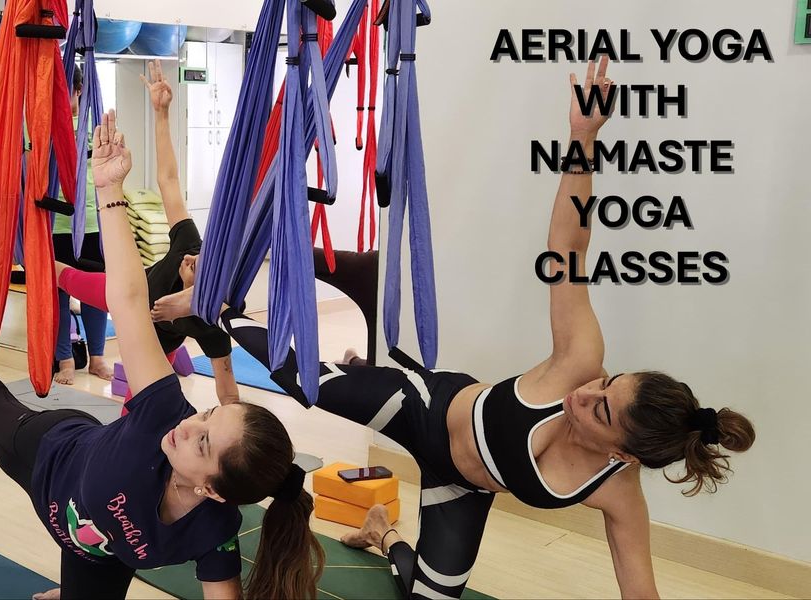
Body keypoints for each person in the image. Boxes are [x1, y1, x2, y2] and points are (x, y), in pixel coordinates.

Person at [217, 59, 755, 600]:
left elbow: (642, 592)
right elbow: (568, 249)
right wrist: (583, 136)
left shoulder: (617, 490)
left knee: (430, 598)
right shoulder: (580, 361)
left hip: (464, 485)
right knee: (303, 380)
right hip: (424, 408)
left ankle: (383, 532)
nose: (588, 392)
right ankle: (216, 303)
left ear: (625, 455)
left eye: (602, 410)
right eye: (606, 385)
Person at [0, 111, 323, 600]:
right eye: (208, 414)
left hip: (95, 553)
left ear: (213, 491)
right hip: (46, 454)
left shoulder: (213, 530)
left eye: (203, 444)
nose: (190, 425)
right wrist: (108, 189)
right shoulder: (164, 414)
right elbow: (126, 301)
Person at [56, 61, 240, 405]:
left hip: (156, 344)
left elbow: (228, 391)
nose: (190, 258)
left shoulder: (212, 327)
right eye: (199, 257)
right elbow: (168, 180)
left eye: (198, 267)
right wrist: (161, 113)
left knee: (140, 408)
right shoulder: (190, 242)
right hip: (129, 290)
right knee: (60, 273)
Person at [53, 65, 113, 384]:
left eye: (66, 91)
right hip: (56, 224)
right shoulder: (43, 125)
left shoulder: (93, 124)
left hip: (92, 223)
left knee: (95, 290)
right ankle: (64, 360)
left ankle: (98, 359)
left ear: (78, 90)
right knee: (58, 294)